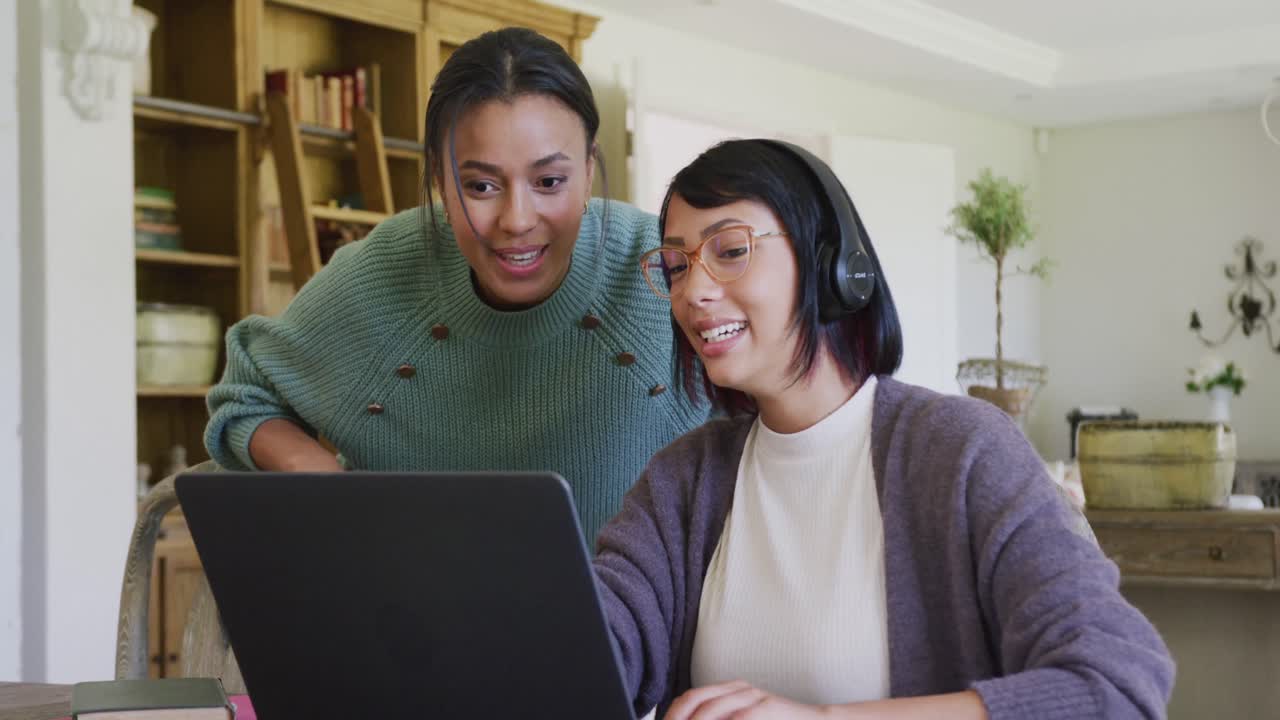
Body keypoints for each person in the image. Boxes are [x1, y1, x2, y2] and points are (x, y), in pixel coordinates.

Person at [593, 139, 1174, 719]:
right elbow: (598, 647)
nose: (693, 291)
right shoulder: (685, 478)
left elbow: (1115, 686)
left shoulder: (963, 450)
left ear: (833, 266)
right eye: (676, 266)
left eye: (730, 249)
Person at [204, 27, 708, 543]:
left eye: (549, 182)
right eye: (481, 186)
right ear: (439, 180)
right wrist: (327, 485)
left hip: (632, 618)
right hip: (410, 612)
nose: (516, 220)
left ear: (587, 167)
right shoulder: (379, 274)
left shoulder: (664, 265)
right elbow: (245, 396)